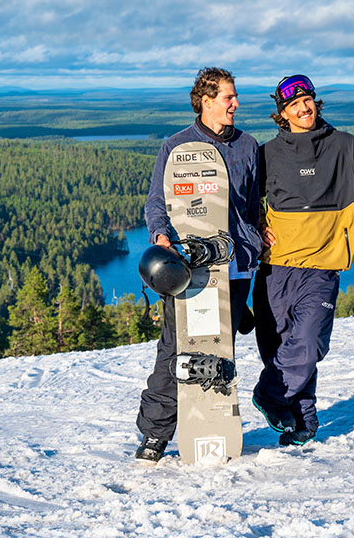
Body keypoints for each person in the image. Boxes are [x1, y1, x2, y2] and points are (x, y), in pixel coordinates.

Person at [135, 67, 262, 462]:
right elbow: (157, 201)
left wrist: (261, 233)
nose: (236, 104)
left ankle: (215, 423)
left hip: (237, 265)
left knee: (222, 348)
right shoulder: (176, 148)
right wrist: (160, 236)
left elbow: (255, 203)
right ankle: (155, 434)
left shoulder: (248, 145)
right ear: (206, 101)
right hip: (189, 267)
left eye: (235, 97)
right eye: (228, 98)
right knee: (176, 349)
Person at [252, 74, 354, 445]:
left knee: (310, 341)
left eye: (307, 100)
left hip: (322, 264)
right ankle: (302, 422)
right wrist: (254, 227)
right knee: (282, 347)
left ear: (316, 101)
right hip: (275, 268)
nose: (303, 108)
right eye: (293, 105)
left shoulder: (346, 147)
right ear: (282, 113)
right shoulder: (266, 154)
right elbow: (244, 200)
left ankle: (269, 395)